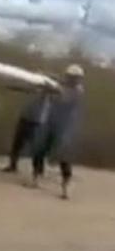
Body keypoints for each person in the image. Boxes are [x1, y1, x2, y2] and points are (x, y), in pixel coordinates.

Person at [28, 64, 85, 200]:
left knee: (63, 155)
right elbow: (51, 87)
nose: (72, 79)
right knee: (39, 149)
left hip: (64, 127)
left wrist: (51, 85)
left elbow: (63, 96)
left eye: (75, 77)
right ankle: (36, 177)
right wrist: (45, 78)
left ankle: (66, 185)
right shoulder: (59, 84)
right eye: (71, 77)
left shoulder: (78, 90)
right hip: (49, 122)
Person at [3, 86, 54, 173]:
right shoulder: (34, 90)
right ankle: (13, 165)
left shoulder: (48, 94)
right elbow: (24, 89)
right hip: (25, 119)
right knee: (17, 144)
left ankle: (38, 169)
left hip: (36, 122)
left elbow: (55, 91)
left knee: (36, 147)